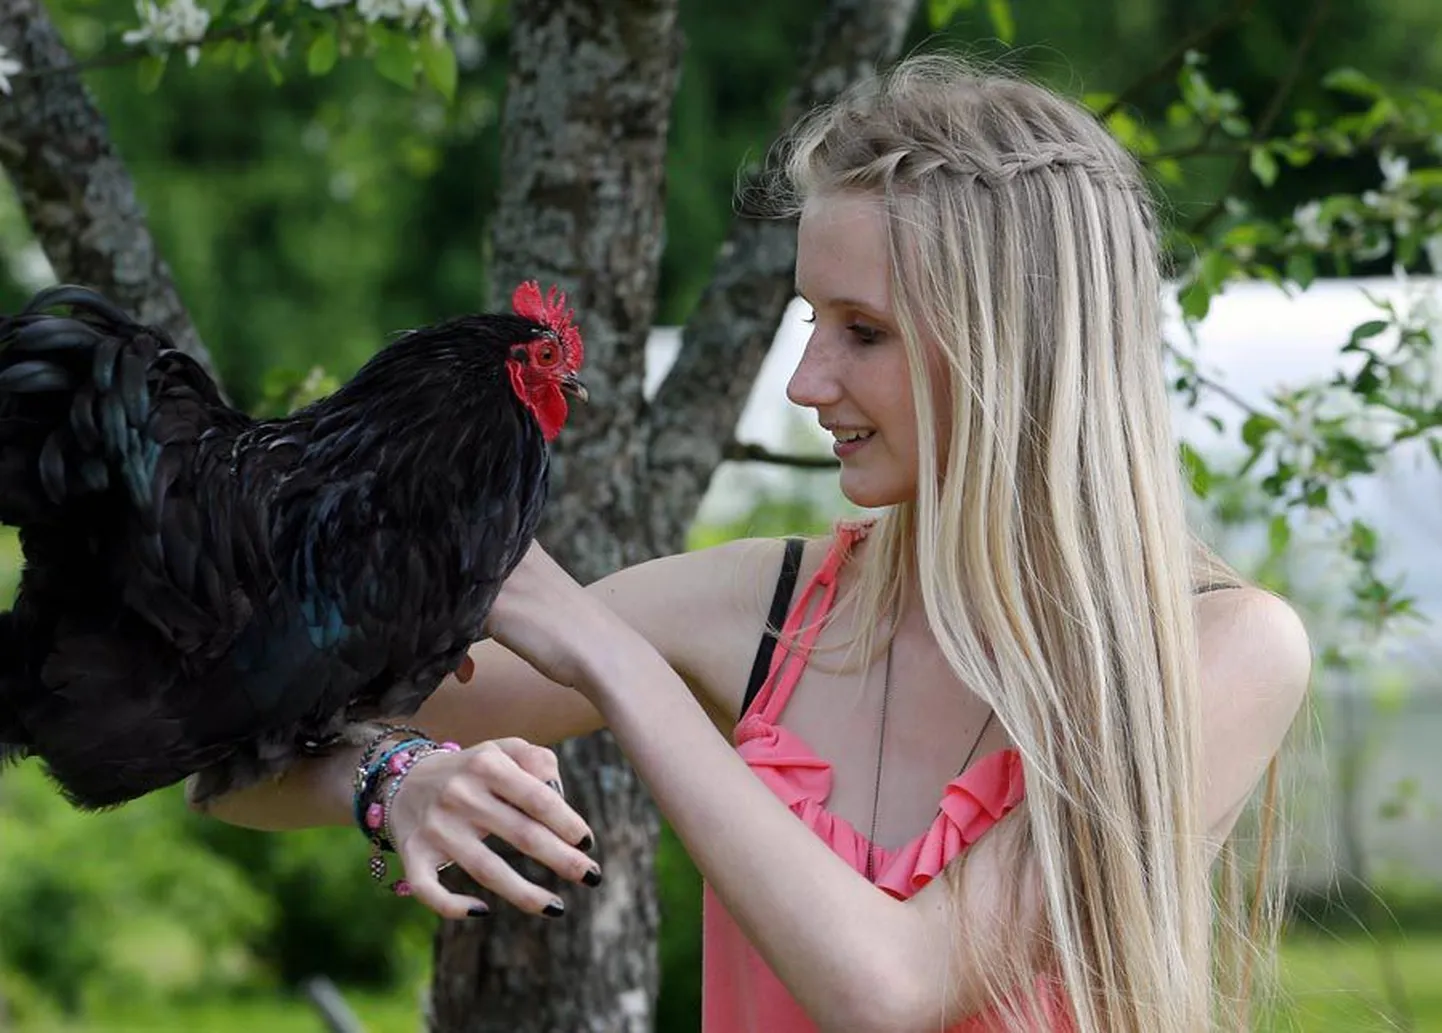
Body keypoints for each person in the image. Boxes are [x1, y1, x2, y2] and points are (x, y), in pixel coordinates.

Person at [202, 54, 1312, 1033]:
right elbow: (227, 752)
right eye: (808, 321)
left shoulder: (1212, 651)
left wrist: (613, 659)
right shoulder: (769, 607)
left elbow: (887, 989)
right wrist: (394, 779)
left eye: (861, 333)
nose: (803, 382)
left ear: (1012, 349)